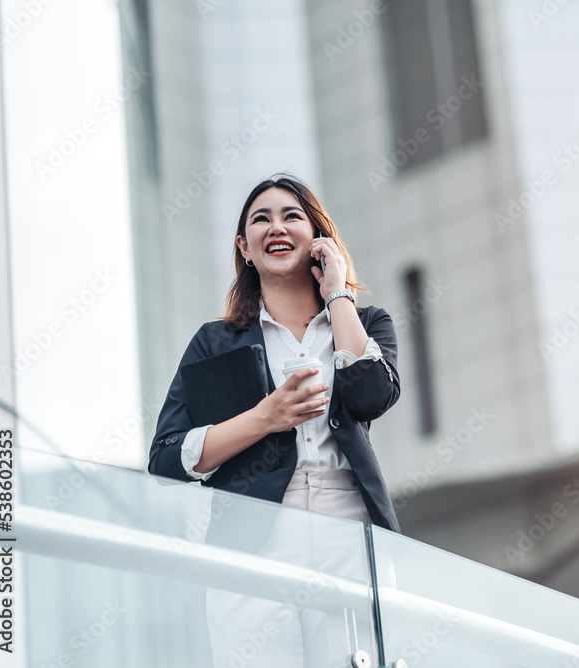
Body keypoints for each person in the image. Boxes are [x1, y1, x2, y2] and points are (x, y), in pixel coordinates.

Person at [147, 174, 400, 666]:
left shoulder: (366, 323)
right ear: (244, 247)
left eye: (292, 216)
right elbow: (165, 456)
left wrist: (338, 294)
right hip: (251, 525)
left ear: (318, 238)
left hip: (347, 520)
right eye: (260, 219)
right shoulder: (215, 341)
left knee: (356, 657)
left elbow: (371, 394)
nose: (275, 226)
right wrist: (263, 418)